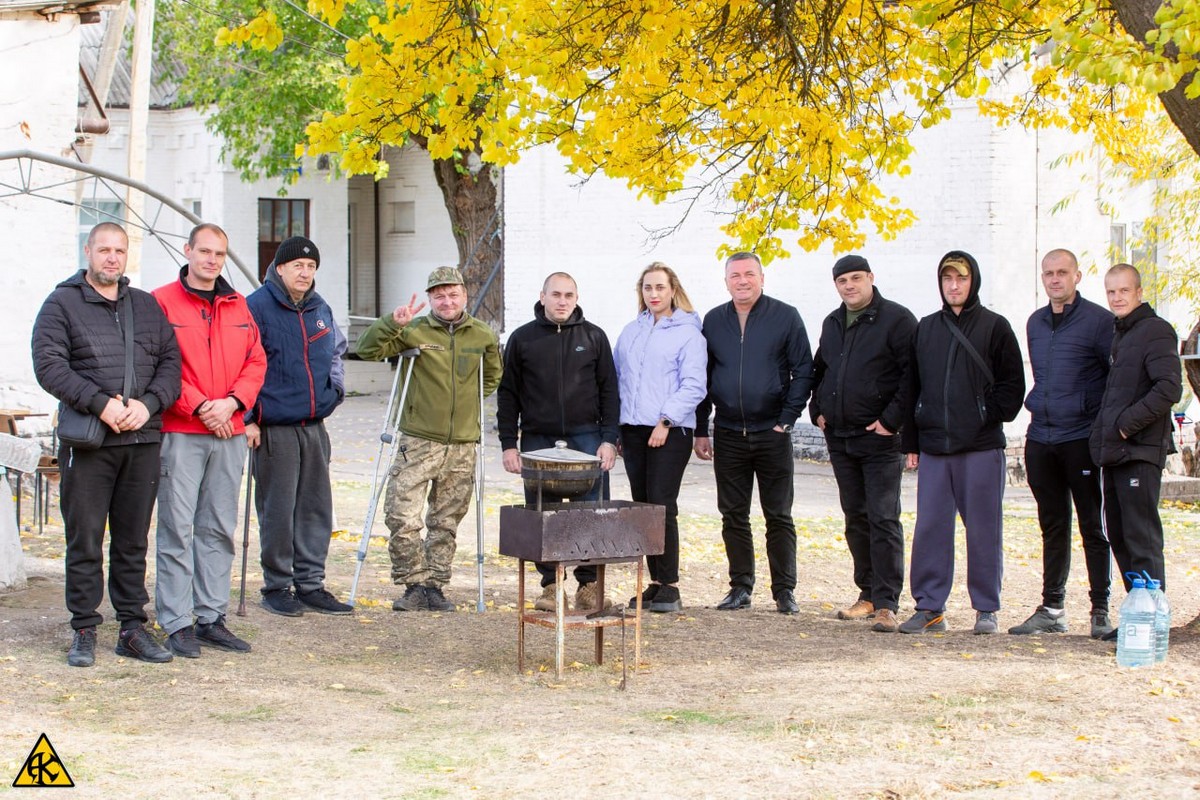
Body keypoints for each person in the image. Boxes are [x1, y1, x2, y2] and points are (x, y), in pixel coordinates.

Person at [32, 222, 182, 667]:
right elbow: (48, 365)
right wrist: (101, 404)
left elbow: (171, 364)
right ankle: (83, 628)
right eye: (104, 250)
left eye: (119, 250)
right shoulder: (61, 304)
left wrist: (148, 403)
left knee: (133, 539)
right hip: (91, 443)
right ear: (88, 252)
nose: (112, 258)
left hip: (142, 438)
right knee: (85, 538)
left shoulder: (146, 306)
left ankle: (132, 628)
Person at [356, 267, 502, 612]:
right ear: (430, 299)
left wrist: (465, 407)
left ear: (464, 296)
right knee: (402, 516)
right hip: (419, 441)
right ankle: (413, 583)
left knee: (445, 521)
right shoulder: (414, 330)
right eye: (439, 295)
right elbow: (366, 350)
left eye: (453, 294)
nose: (446, 301)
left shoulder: (481, 335)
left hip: (462, 445)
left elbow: (492, 376)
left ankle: (435, 585)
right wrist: (393, 323)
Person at [152, 223, 266, 658]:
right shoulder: (161, 302)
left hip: (230, 431)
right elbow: (161, 367)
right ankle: (178, 621)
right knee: (177, 529)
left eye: (219, 253)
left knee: (219, 527)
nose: (212, 260)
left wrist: (234, 403)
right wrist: (201, 406)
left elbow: (256, 361)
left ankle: (210, 616)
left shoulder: (239, 305)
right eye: (204, 251)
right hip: (182, 430)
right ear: (188, 251)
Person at [900, 251, 1025, 635]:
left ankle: (986, 607)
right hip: (936, 447)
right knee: (931, 528)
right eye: (947, 278)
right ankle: (930, 606)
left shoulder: (995, 327)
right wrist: (913, 442)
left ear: (974, 282)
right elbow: (911, 388)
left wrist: (983, 413)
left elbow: (1012, 387)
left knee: (984, 529)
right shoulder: (925, 328)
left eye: (961, 278)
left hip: (981, 447)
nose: (954, 285)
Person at [694, 252, 814, 614]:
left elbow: (803, 370)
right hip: (728, 432)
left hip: (772, 432)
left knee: (778, 514)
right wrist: (702, 428)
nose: (742, 281)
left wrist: (788, 418)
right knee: (733, 514)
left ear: (762, 278)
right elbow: (702, 377)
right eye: (735, 275)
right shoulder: (714, 320)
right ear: (726, 281)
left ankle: (784, 591)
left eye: (749, 274)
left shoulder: (785, 316)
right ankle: (740, 586)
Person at [497, 272, 620, 612]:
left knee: (591, 515)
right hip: (538, 439)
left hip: (586, 440)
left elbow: (610, 391)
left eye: (568, 295)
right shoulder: (523, 339)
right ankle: (552, 587)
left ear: (576, 298)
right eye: (556, 295)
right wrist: (509, 442)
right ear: (543, 296)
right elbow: (508, 395)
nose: (562, 301)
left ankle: (589, 585)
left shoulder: (594, 337)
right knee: (544, 516)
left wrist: (609, 439)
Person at [245, 236, 353, 617]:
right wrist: (247, 417)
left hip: (313, 424)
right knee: (278, 509)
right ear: (280, 268)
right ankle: (277, 585)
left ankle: (311, 583)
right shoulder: (256, 307)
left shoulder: (318, 307)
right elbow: (241, 364)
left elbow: (336, 350)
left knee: (315, 508)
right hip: (274, 426)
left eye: (310, 267)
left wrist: (334, 391)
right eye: (298, 266)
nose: (305, 273)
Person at [1010, 249, 1115, 639]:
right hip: (1041, 437)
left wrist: (1100, 426)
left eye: (1062, 273)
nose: (1055, 279)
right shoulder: (1035, 322)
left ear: (1077, 276)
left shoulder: (1100, 322)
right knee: (1052, 525)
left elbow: (1113, 380)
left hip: (1081, 438)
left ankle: (1099, 609)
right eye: (1048, 273)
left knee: (1092, 524)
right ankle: (1052, 608)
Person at [810, 255, 917, 633]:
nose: (850, 286)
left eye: (857, 278)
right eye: (843, 281)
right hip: (840, 436)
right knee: (855, 516)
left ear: (871, 277)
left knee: (883, 517)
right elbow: (820, 369)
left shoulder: (897, 319)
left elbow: (911, 377)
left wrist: (891, 421)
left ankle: (888, 602)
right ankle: (867, 593)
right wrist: (817, 409)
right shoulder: (833, 322)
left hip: (879, 438)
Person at [1089, 263, 1180, 639]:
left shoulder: (1155, 331)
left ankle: (1152, 625)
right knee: (1122, 537)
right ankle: (1136, 618)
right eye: (1111, 292)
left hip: (1139, 452)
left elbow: (1168, 388)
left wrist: (1127, 424)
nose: (1117, 298)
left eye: (1124, 291)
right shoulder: (1120, 333)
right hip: (1114, 453)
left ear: (1139, 292)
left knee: (1142, 539)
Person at [614, 263, 708, 613]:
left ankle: (670, 584)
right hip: (634, 430)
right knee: (643, 506)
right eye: (648, 288)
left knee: (662, 504)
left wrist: (665, 420)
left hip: (671, 430)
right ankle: (654, 583)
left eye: (660, 288)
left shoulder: (688, 334)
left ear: (673, 290)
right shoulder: (630, 332)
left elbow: (694, 385)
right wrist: (620, 427)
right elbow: (620, 378)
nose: (654, 294)